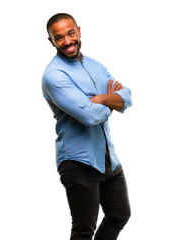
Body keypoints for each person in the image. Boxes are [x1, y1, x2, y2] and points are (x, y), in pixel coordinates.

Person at [42, 13, 132, 240]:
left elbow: (127, 96)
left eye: (70, 33)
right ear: (51, 41)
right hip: (77, 161)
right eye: (59, 37)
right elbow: (89, 117)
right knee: (84, 230)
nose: (67, 41)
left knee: (119, 213)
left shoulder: (95, 65)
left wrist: (100, 100)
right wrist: (111, 101)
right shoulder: (53, 75)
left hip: (107, 156)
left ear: (79, 31)